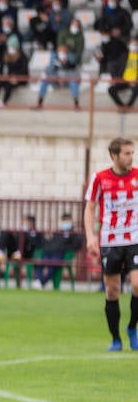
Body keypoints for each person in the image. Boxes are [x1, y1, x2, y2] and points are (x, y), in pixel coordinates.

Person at [84, 138, 138, 350]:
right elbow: (90, 207)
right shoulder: (100, 178)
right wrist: (90, 236)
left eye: (132, 153)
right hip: (110, 240)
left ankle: (132, 327)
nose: (131, 157)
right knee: (112, 290)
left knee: (137, 284)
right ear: (114, 156)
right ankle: (116, 339)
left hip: (134, 239)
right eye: (126, 153)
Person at [34, 212, 82, 289]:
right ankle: (37, 280)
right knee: (40, 263)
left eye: (67, 220)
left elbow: (76, 245)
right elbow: (51, 242)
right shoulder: (58, 232)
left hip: (60, 254)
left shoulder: (74, 233)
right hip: (49, 252)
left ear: (71, 220)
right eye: (64, 220)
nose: (66, 222)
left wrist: (67, 249)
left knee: (53, 265)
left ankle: (42, 282)